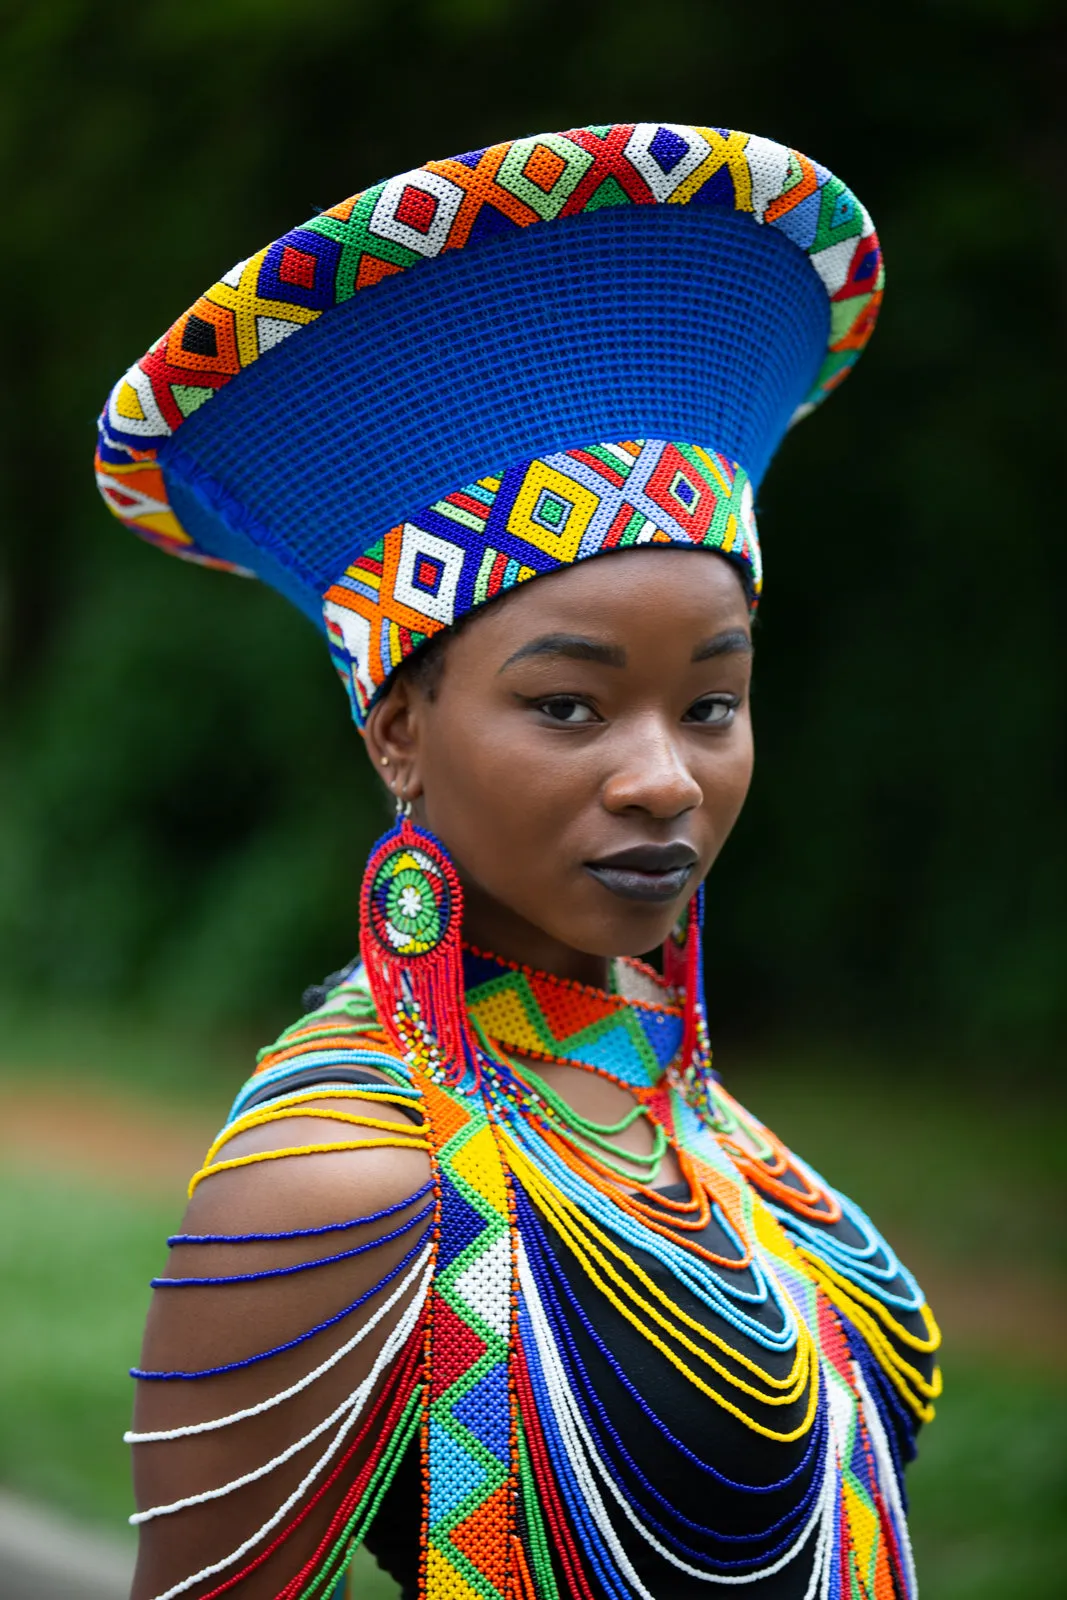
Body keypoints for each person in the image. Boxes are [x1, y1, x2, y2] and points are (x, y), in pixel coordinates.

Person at [95, 122, 941, 1600]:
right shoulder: (347, 1180)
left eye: (712, 703)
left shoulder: (655, 1095)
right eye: (568, 705)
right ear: (399, 732)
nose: (663, 776)